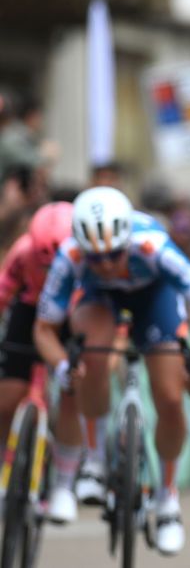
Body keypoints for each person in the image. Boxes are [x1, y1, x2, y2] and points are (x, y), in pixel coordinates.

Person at [34, 187, 190, 555]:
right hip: (100, 300)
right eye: (97, 257)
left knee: (170, 398)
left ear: (127, 241)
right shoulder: (70, 254)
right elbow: (44, 328)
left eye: (114, 254)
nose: (106, 264)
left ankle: (167, 500)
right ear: (81, 248)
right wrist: (61, 365)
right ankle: (93, 461)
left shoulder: (154, 246)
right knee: (90, 352)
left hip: (154, 297)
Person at [0, 203, 82, 522]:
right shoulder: (22, 252)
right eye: (44, 264)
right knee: (7, 397)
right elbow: (4, 293)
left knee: (74, 386)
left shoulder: (85, 256)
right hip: (31, 309)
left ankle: (63, 484)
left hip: (71, 312)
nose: (50, 272)